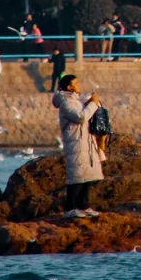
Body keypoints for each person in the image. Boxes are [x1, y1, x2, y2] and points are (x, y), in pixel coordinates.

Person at [52, 73, 103, 216]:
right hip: (76, 143)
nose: (79, 85)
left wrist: (88, 103)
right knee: (77, 176)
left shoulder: (75, 100)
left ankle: (84, 205)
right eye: (76, 83)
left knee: (88, 176)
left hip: (85, 142)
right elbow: (80, 117)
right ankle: (70, 208)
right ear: (69, 87)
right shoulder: (66, 102)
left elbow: (81, 111)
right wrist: (92, 104)